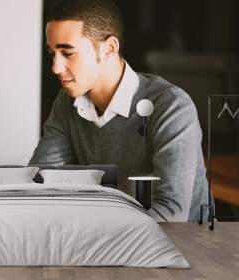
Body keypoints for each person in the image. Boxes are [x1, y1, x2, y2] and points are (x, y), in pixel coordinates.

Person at [29, 0, 209, 222]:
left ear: (109, 48)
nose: (56, 67)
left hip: (185, 247)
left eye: (68, 53)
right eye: (53, 53)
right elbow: (39, 183)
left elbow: (171, 213)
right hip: (112, 241)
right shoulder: (67, 102)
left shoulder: (171, 106)